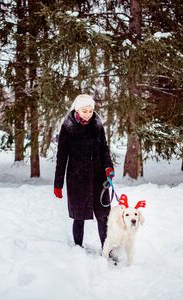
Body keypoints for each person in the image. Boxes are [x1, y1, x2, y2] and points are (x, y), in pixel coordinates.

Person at [53, 94, 114, 249]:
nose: (88, 114)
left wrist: (108, 167)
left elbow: (104, 149)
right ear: (77, 110)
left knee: (103, 216)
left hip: (98, 178)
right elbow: (62, 157)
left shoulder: (98, 126)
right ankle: (78, 248)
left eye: (91, 111)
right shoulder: (68, 127)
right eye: (85, 111)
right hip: (77, 179)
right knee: (78, 217)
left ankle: (106, 250)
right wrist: (58, 184)